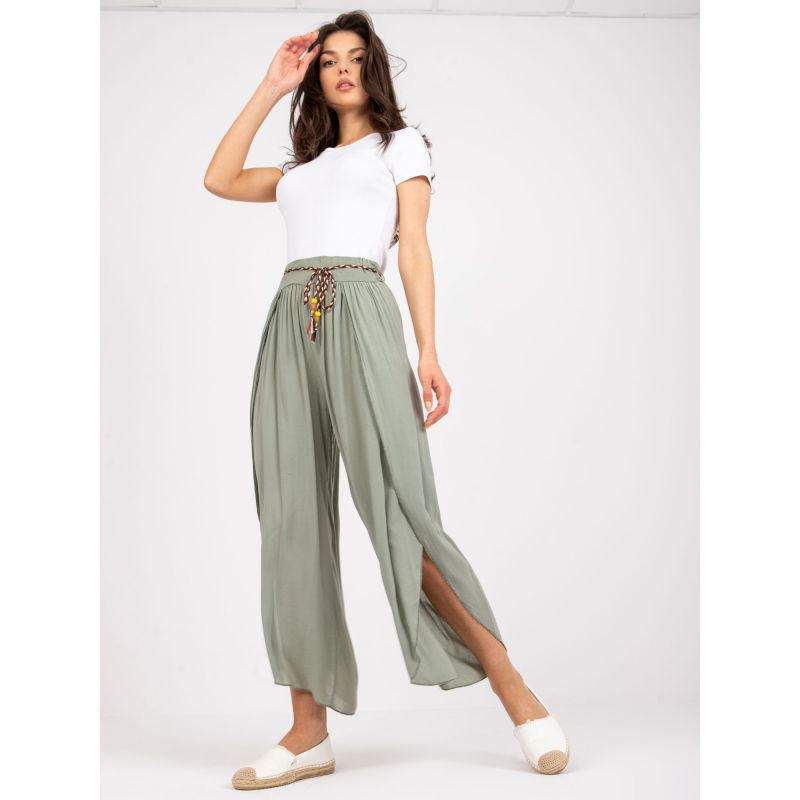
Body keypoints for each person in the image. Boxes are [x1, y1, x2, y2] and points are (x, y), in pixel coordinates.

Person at [204, 10, 570, 790]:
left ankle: (515, 690)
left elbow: (416, 248)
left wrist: (428, 349)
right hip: (290, 323)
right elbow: (219, 178)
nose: (340, 68)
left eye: (354, 57)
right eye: (327, 59)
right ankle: (308, 732)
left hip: (362, 313)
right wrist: (271, 87)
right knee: (291, 522)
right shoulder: (300, 172)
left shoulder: (401, 147)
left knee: (403, 512)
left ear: (373, 70)